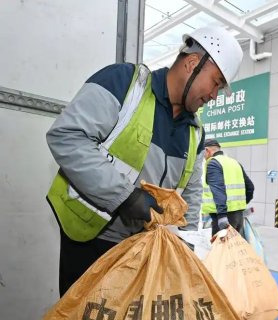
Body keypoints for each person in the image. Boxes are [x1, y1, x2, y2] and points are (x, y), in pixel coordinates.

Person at [46, 26, 243, 297]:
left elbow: (191, 196)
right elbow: (67, 136)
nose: (214, 95)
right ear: (192, 63)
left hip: (142, 252)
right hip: (91, 240)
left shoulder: (195, 133)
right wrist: (124, 197)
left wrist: (185, 246)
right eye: (216, 82)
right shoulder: (124, 84)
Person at [202, 138, 254, 237]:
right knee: (234, 245)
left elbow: (218, 190)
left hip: (223, 218)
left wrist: (222, 216)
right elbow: (250, 187)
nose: (203, 156)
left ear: (207, 150)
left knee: (220, 246)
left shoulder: (213, 163)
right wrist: (239, 206)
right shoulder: (235, 162)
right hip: (238, 216)